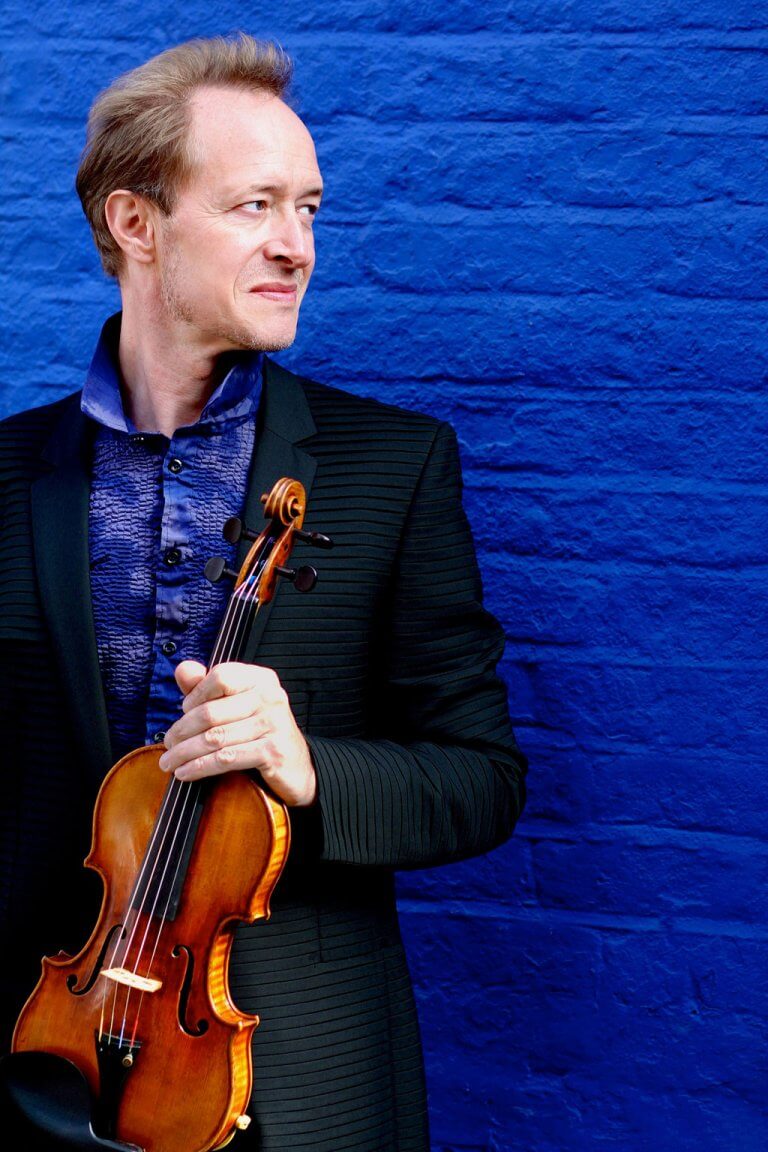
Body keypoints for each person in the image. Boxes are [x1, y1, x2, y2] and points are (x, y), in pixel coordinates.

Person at [0, 34, 527, 1152]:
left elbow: (481, 782)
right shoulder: (3, 476)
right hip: (44, 1057)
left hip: (306, 1085)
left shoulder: (395, 466)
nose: (298, 245)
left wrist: (306, 767)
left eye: (308, 209)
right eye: (254, 206)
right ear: (136, 224)